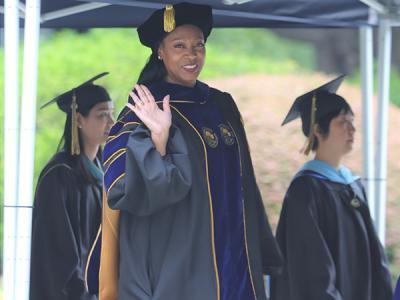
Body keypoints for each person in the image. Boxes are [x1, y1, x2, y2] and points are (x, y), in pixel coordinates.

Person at [98, 3, 283, 300]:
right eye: (179, 45)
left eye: (199, 45)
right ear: (160, 51)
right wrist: (158, 138)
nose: (191, 54)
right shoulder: (143, 109)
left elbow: (245, 180)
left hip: (234, 253)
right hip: (178, 261)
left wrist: (259, 246)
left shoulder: (221, 104)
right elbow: (124, 190)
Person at [270, 75, 393, 300]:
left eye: (352, 121)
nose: (352, 130)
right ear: (317, 129)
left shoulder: (352, 185)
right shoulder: (305, 190)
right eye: (343, 122)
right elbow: (312, 269)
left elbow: (376, 260)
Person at [30, 72, 115, 300]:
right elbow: (58, 251)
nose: (111, 122)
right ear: (78, 119)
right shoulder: (59, 175)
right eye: (102, 115)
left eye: (111, 114)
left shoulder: (103, 170)